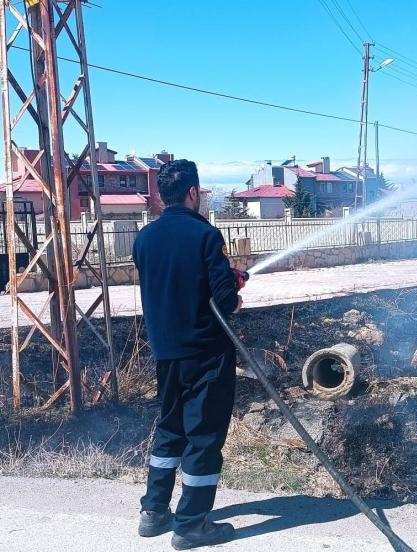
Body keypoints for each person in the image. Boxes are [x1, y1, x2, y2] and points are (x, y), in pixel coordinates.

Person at [132, 160, 242, 550]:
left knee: (169, 429)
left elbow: (170, 284)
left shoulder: (143, 239)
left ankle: (154, 512)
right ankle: (191, 525)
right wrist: (235, 286)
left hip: (166, 353)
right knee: (204, 437)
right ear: (193, 193)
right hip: (206, 355)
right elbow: (225, 302)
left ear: (163, 195)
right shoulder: (205, 236)